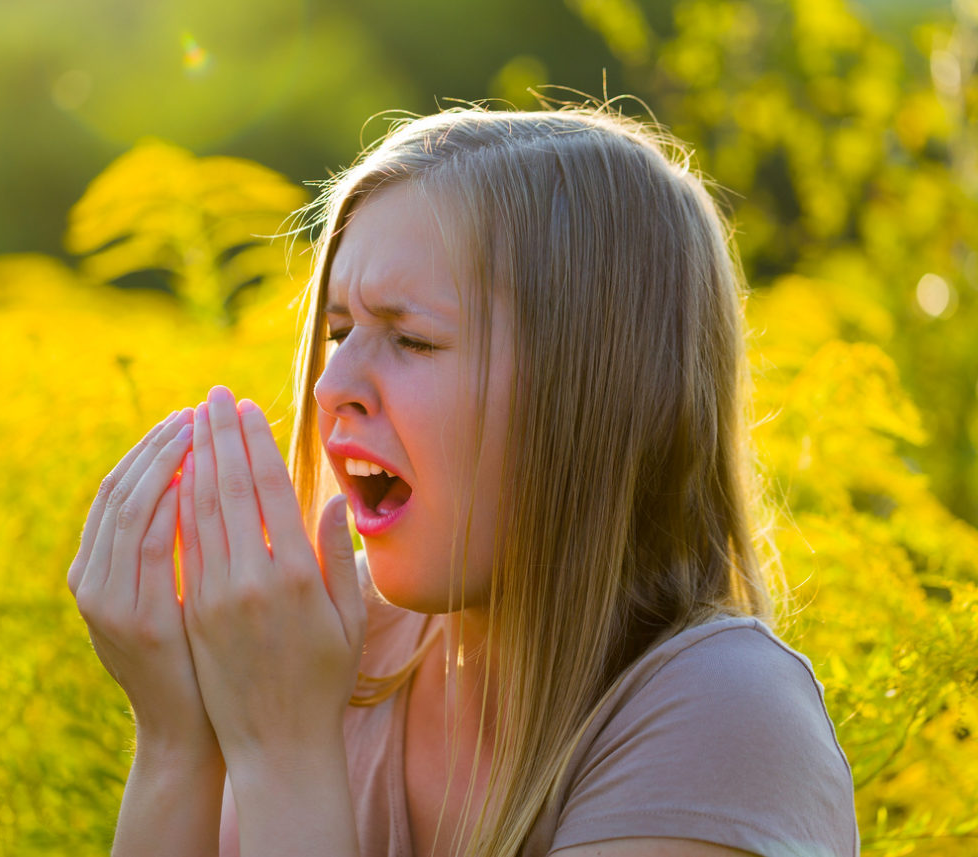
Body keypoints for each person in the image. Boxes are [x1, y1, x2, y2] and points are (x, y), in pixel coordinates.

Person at [67, 102, 860, 857]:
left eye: (410, 339)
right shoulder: (341, 655)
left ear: (590, 394)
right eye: (339, 330)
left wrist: (283, 749)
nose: (329, 383)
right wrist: (178, 739)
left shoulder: (721, 711)